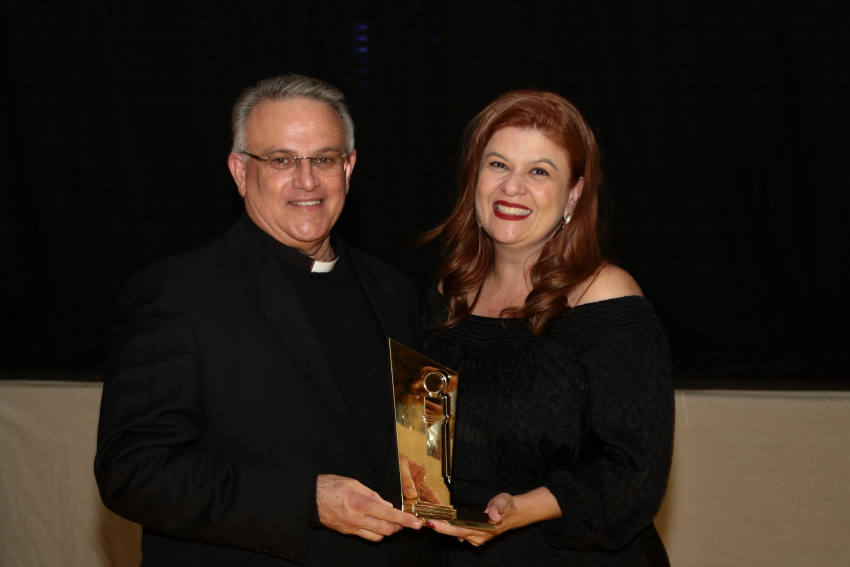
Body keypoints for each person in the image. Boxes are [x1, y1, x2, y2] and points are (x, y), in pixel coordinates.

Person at [94, 74, 432, 566]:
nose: (307, 180)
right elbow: (134, 473)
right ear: (239, 171)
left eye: (324, 158)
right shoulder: (178, 294)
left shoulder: (395, 290)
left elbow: (417, 450)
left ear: (349, 167)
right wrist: (306, 502)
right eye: (281, 160)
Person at [420, 91, 674, 566]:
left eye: (539, 171)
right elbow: (423, 445)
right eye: (498, 165)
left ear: (573, 194)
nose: (512, 188)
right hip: (459, 551)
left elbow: (634, 468)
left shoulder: (608, 300)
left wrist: (524, 508)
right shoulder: (444, 297)